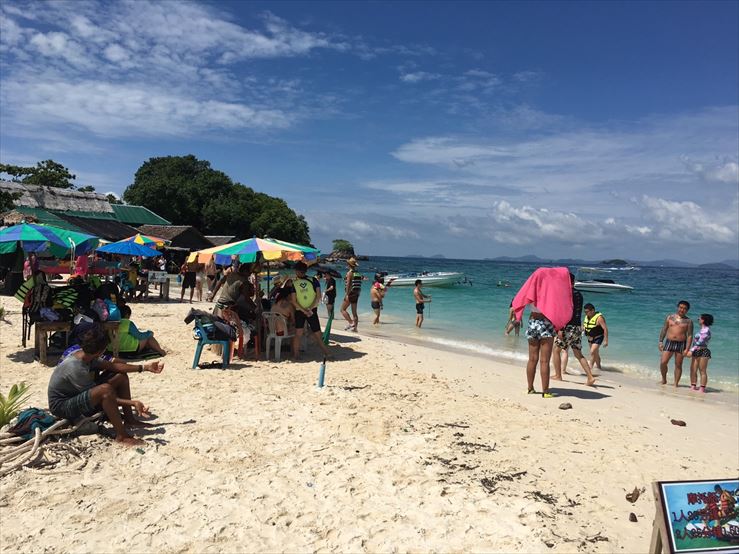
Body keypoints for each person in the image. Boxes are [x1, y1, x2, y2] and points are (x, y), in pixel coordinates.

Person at [47, 325, 164, 446]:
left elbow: (114, 366)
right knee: (105, 390)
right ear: (101, 351)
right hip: (62, 407)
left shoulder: (86, 355)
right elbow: (102, 396)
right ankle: (122, 436)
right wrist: (132, 403)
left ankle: (130, 420)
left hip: (76, 395)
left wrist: (145, 367)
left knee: (121, 376)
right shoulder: (76, 367)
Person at [552, 274, 595, 386]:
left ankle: (558, 375)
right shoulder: (579, 294)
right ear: (574, 281)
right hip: (577, 327)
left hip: (568, 326)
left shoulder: (567, 294)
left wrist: (561, 328)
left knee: (556, 350)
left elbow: (565, 312)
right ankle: (590, 377)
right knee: (578, 353)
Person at [287, 261, 331, 361]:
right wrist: (309, 309)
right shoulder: (314, 280)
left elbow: (293, 301)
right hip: (312, 311)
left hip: (300, 311)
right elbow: (318, 297)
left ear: (297, 271)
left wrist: (304, 310)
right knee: (317, 334)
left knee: (298, 334)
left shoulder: (294, 283)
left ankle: (296, 355)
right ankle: (327, 353)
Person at [657, 300, 693, 387]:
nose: (682, 310)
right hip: (669, 342)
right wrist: (661, 341)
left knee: (678, 365)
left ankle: (676, 384)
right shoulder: (670, 317)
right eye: (681, 307)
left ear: (687, 310)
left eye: (684, 308)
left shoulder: (688, 321)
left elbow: (690, 335)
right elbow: (664, 329)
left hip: (681, 344)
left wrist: (687, 349)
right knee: (663, 362)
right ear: (678, 307)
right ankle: (664, 380)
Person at [688, 313, 713, 393]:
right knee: (693, 369)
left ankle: (702, 388)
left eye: (700, 318)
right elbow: (696, 342)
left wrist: (691, 350)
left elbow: (700, 342)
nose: (698, 319)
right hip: (696, 351)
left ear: (703, 320)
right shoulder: (702, 330)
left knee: (702, 370)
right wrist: (692, 350)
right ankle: (693, 386)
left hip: (703, 351)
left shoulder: (706, 330)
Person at [583, 303, 608, 371]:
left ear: (593, 310)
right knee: (595, 353)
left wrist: (606, 340)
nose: (586, 313)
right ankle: (599, 368)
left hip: (598, 337)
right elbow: (584, 325)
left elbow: (605, 329)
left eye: (587, 312)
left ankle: (590, 368)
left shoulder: (599, 318)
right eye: (585, 312)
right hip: (590, 338)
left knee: (592, 351)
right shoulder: (586, 317)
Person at [340, 258, 362, 332]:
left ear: (349, 265)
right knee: (354, 313)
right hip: (356, 293)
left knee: (342, 309)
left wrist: (346, 294)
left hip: (351, 293)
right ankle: (355, 329)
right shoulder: (357, 273)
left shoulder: (350, 273)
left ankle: (351, 323)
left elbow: (348, 284)